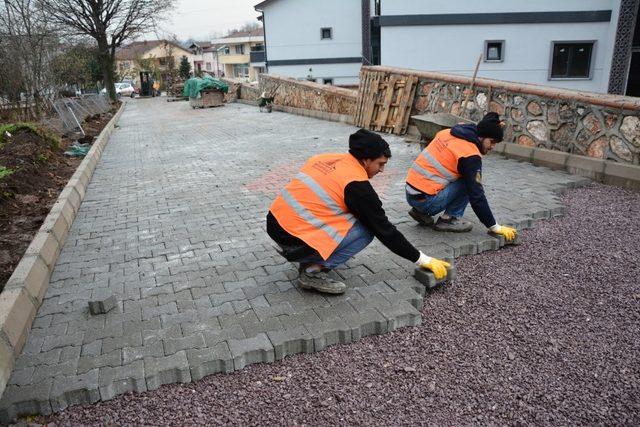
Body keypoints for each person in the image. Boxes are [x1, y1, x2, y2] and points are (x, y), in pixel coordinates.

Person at [266, 129, 450, 295]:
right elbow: (385, 230)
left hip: (274, 223)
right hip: (292, 240)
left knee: (351, 214)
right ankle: (312, 271)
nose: (382, 170)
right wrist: (422, 259)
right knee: (366, 230)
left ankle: (310, 255)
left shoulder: (323, 158)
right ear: (366, 159)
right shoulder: (356, 186)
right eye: (380, 164)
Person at [405, 112, 517, 242]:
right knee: (468, 182)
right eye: (491, 142)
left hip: (411, 194)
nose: (492, 147)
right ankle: (449, 219)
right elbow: (477, 195)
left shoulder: (448, 132)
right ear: (481, 137)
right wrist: (493, 226)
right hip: (426, 201)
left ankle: (420, 212)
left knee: (461, 176)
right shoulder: (470, 155)